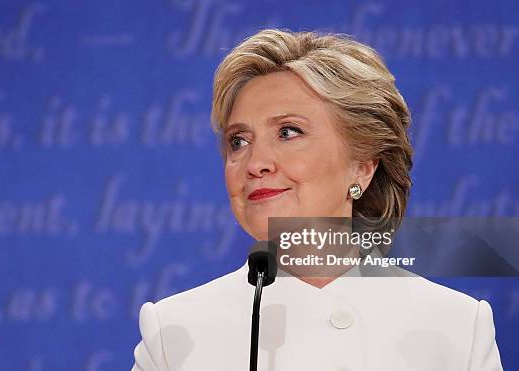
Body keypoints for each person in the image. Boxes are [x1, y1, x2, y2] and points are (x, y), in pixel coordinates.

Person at [131, 29, 503, 370]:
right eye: (238, 141)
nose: (255, 163)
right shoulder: (174, 334)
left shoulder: (457, 328)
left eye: (288, 132)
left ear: (362, 167)